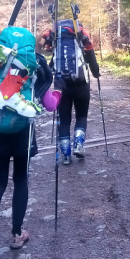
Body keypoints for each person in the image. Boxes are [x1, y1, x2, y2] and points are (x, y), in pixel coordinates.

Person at [0, 27, 63, 259]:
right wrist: (58, 92)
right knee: (20, 180)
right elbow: (49, 104)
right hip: (21, 131)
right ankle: (17, 234)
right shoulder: (34, 62)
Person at [42, 19, 100, 165]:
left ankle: (66, 154)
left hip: (62, 85)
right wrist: (96, 73)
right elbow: (92, 60)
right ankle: (79, 145)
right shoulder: (82, 39)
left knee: (64, 119)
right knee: (81, 116)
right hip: (81, 84)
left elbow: (52, 64)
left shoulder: (57, 42)